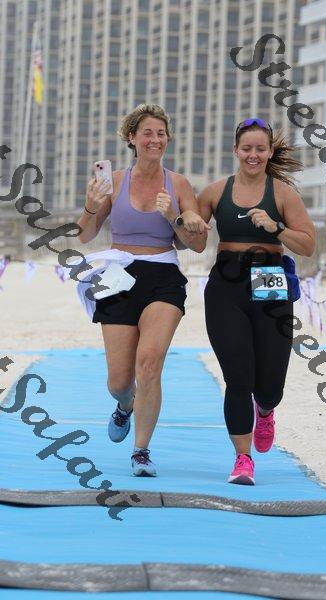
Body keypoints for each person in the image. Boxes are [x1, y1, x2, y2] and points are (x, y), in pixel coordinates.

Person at [77, 104, 208, 477]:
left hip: (163, 276)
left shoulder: (178, 184)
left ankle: (141, 451)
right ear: (131, 138)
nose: (155, 139)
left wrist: (174, 217)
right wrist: (91, 206)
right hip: (118, 276)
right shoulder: (114, 181)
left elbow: (197, 244)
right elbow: (84, 235)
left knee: (149, 363)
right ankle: (125, 406)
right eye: (147, 133)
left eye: (161, 133)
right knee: (119, 382)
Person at [185, 117, 315, 485]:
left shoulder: (283, 194)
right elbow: (194, 242)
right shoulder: (215, 192)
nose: (253, 155)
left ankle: (266, 409)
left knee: (270, 384)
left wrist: (276, 228)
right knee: (238, 376)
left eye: (260, 148)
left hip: (269, 277)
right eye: (247, 148)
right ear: (235, 151)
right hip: (226, 283)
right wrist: (184, 219)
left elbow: (308, 245)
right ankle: (242, 459)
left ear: (269, 152)